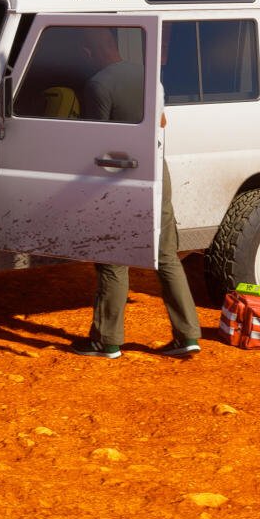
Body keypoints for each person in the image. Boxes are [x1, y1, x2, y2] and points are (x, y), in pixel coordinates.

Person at [68, 26, 201, 359]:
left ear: (87, 52)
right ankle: (188, 335)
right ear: (115, 44)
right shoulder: (149, 77)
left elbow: (94, 144)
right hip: (158, 170)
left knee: (113, 259)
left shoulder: (98, 85)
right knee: (167, 256)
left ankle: (107, 340)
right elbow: (162, 123)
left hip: (121, 178)